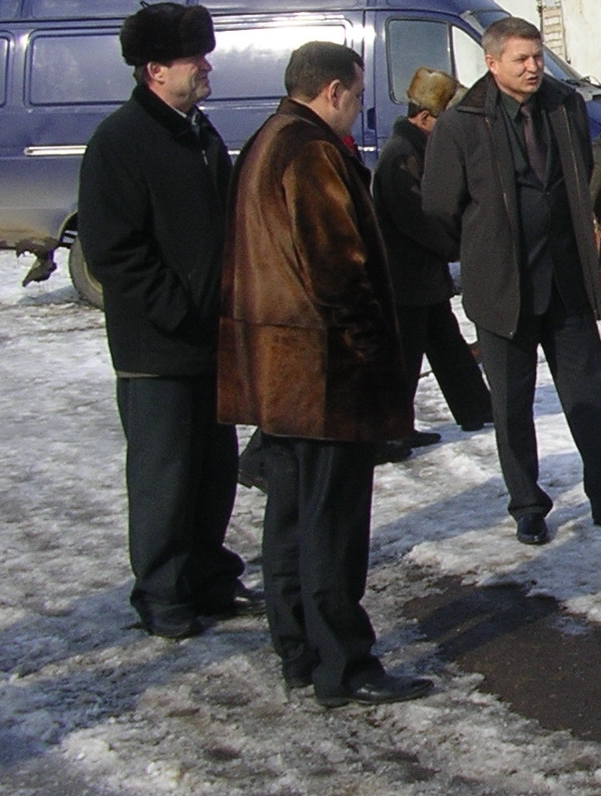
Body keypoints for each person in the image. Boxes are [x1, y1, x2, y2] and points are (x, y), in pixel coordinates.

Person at [217, 41, 432, 707]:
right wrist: (371, 350)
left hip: (283, 371)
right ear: (333, 89)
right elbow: (336, 266)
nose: (359, 106)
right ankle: (345, 664)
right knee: (331, 525)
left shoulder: (267, 138)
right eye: (357, 93)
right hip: (324, 371)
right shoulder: (310, 151)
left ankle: (299, 648)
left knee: (289, 517)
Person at [424, 17, 601, 545]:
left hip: (565, 282)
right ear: (492, 65)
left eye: (537, 56)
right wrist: (480, 252)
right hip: (500, 291)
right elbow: (440, 209)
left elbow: (579, 173)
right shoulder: (463, 122)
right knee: (512, 407)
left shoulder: (562, 106)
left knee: (590, 396)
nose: (534, 67)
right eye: (521, 59)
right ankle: (528, 506)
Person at [78, 2, 254, 640]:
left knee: (211, 473)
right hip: (157, 348)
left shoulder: (200, 135)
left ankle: (207, 576)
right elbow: (114, 252)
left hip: (211, 343)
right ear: (156, 69)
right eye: (193, 59)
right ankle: (161, 592)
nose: (205, 67)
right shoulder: (120, 142)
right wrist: (180, 312)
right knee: (164, 477)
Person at [371, 66, 493, 447]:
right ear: (424, 118)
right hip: (405, 278)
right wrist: (458, 246)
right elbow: (420, 221)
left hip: (421, 277)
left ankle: (477, 410)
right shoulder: (402, 157)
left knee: (446, 345)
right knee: (404, 360)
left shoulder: (414, 150)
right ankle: (389, 433)